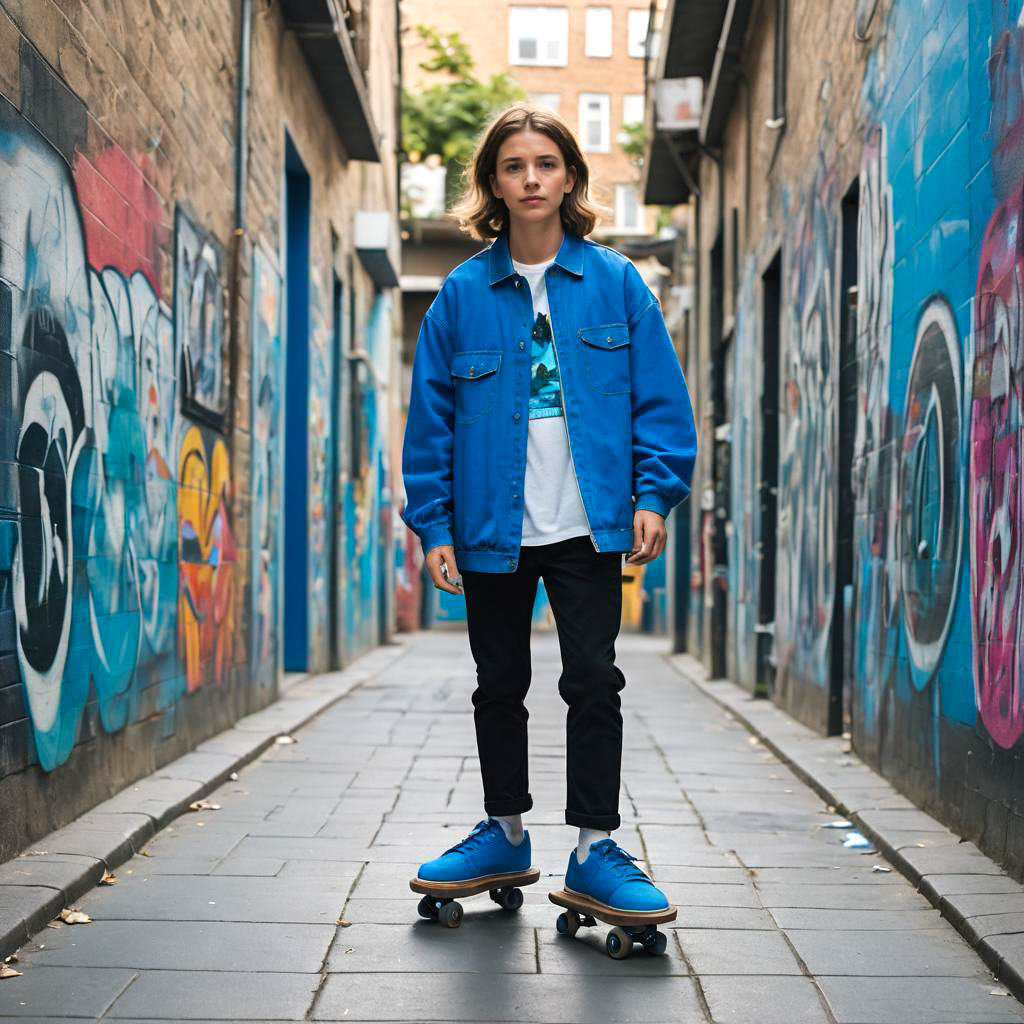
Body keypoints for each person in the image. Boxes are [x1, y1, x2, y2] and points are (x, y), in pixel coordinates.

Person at [400, 102, 697, 916]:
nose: (530, 179)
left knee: (594, 681)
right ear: (492, 184)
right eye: (513, 166)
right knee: (498, 683)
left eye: (545, 164)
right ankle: (505, 831)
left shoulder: (616, 283)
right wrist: (433, 524)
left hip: (588, 524)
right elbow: (431, 420)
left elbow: (659, 403)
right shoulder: (461, 294)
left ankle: (596, 847)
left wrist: (654, 493)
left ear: (569, 177)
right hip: (491, 530)